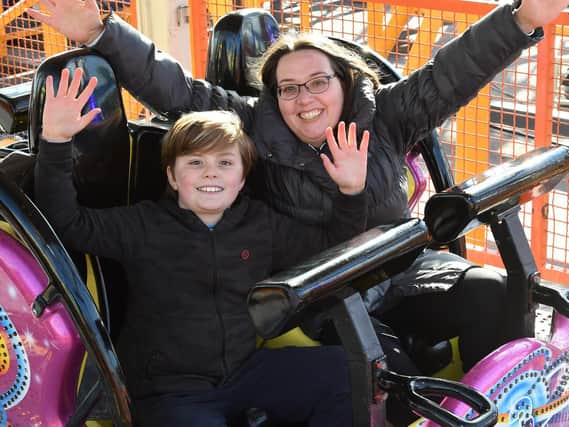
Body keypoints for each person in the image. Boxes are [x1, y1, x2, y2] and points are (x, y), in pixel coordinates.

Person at [27, 0, 568, 423]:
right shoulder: (255, 132)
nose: (304, 99)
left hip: (398, 269)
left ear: (345, 83)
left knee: (493, 294)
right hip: (322, 290)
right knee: (388, 375)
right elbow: (174, 88)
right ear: (273, 98)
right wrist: (101, 32)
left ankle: (502, 404)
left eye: (317, 82)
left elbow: (455, 70)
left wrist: (522, 20)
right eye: (288, 89)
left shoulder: (387, 115)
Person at [34, 67, 370, 426]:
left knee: (344, 372)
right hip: (170, 390)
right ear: (172, 177)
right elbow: (67, 224)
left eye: (225, 163)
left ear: (241, 179)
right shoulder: (144, 225)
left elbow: (330, 246)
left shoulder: (258, 223)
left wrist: (351, 192)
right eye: (195, 163)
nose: (211, 173)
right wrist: (55, 142)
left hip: (243, 371)